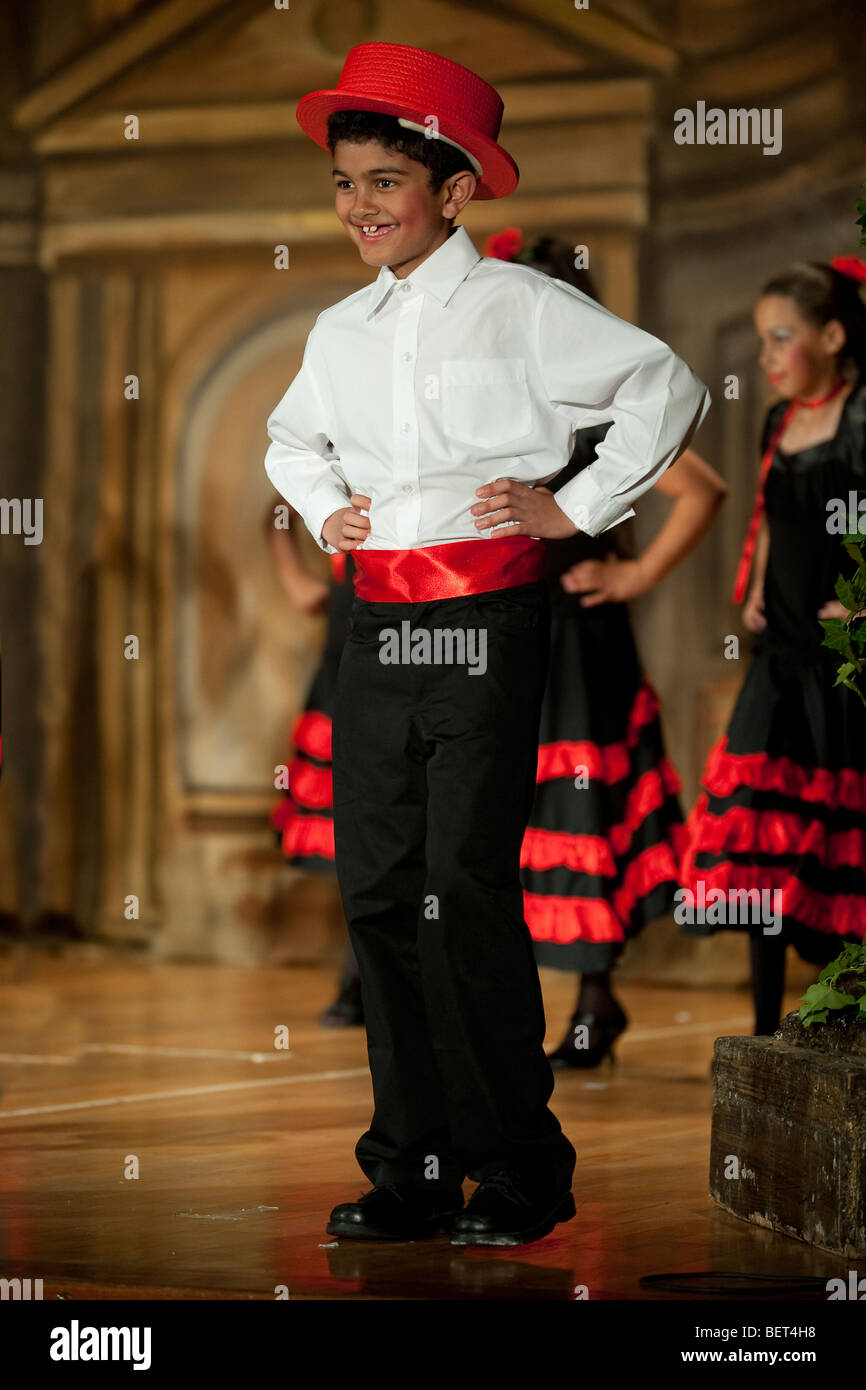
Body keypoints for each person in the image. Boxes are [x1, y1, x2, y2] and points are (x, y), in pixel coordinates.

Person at [264, 42, 710, 1246]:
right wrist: (323, 507)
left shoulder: (524, 308)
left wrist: (578, 506)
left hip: (481, 625)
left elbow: (665, 387)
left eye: (385, 181)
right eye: (345, 182)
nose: (359, 204)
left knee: (458, 887)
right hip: (375, 625)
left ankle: (518, 1169)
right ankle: (410, 1168)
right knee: (376, 888)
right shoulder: (340, 331)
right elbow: (289, 440)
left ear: (453, 189)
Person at [484, 230, 728, 1067]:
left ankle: (594, 998)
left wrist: (635, 575)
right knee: (510, 809)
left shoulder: (594, 402)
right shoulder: (497, 396)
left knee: (580, 806)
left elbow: (701, 488)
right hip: (509, 627)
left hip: (578, 640)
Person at [679, 256, 866, 1034]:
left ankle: (842, 1016)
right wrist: (756, 583)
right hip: (779, 656)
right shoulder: (780, 420)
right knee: (759, 828)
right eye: (760, 341)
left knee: (838, 836)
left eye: (781, 337)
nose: (767, 357)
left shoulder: (861, 418)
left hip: (843, 661)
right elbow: (770, 514)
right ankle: (761, 1032)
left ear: (833, 336)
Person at [266, 502, 364, 1026]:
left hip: (404, 652)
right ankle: (361, 971)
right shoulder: (333, 468)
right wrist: (294, 577)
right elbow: (279, 507)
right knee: (354, 829)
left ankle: (367, 973)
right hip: (343, 660)